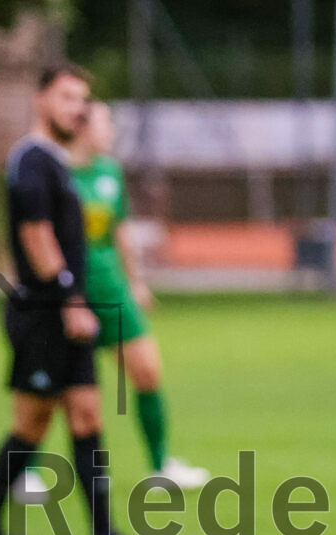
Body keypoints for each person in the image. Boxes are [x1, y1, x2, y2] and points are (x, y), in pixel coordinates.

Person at [0, 64, 147, 535]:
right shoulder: (31, 159)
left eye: (84, 100)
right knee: (31, 423)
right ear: (41, 99)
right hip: (46, 313)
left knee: (88, 415)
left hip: (70, 311)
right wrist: (70, 298)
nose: (78, 108)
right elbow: (35, 234)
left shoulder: (57, 160)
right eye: (68, 97)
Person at [66, 100, 208, 489]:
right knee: (58, 392)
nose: (110, 130)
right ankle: (24, 471)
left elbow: (121, 232)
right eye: (104, 122)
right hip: (70, 294)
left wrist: (136, 281)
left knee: (147, 371)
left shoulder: (109, 172)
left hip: (112, 288)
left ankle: (162, 464)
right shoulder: (56, 173)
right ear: (79, 127)